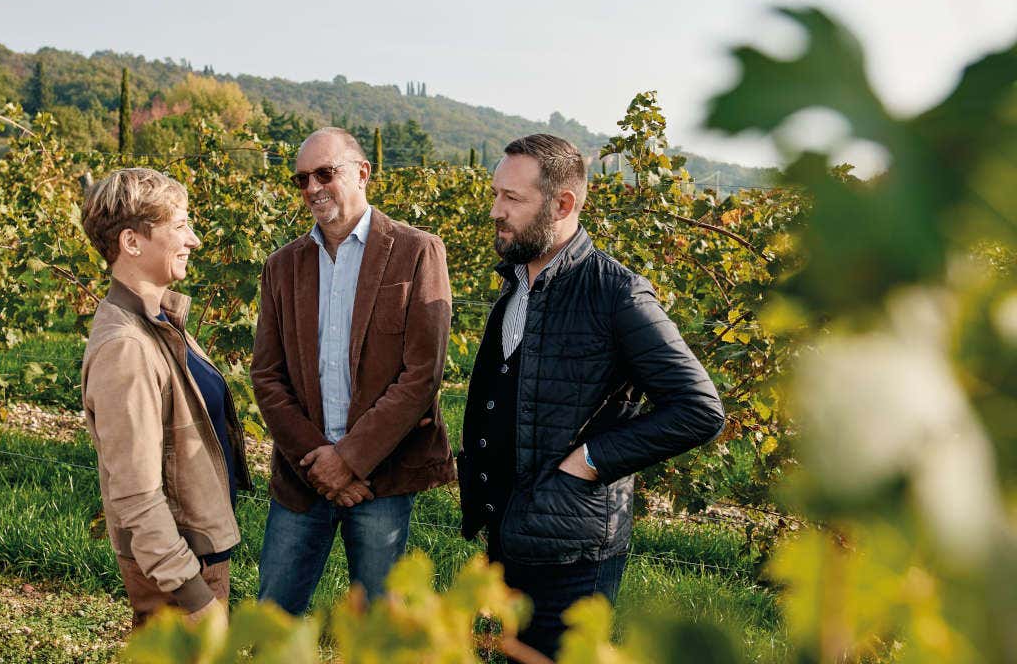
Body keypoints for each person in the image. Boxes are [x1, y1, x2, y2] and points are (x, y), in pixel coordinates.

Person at [457, 134, 725, 659]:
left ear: (563, 204)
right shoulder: (515, 286)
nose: (495, 211)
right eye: (496, 195)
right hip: (509, 533)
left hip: (571, 553)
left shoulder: (616, 294)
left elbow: (699, 409)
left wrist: (590, 461)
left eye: (512, 198)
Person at [252, 127, 454, 614]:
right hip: (303, 474)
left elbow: (421, 375)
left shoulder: (416, 251)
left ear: (363, 173)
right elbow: (267, 377)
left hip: (382, 475)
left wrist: (350, 461)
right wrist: (321, 461)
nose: (313, 188)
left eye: (325, 173)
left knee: (378, 626)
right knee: (272, 618)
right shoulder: (281, 267)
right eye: (302, 180)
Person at [79, 167, 250, 627]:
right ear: (132, 243)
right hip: (178, 568)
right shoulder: (126, 347)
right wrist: (193, 595)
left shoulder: (160, 321)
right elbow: (134, 493)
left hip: (194, 552)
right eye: (179, 226)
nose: (193, 240)